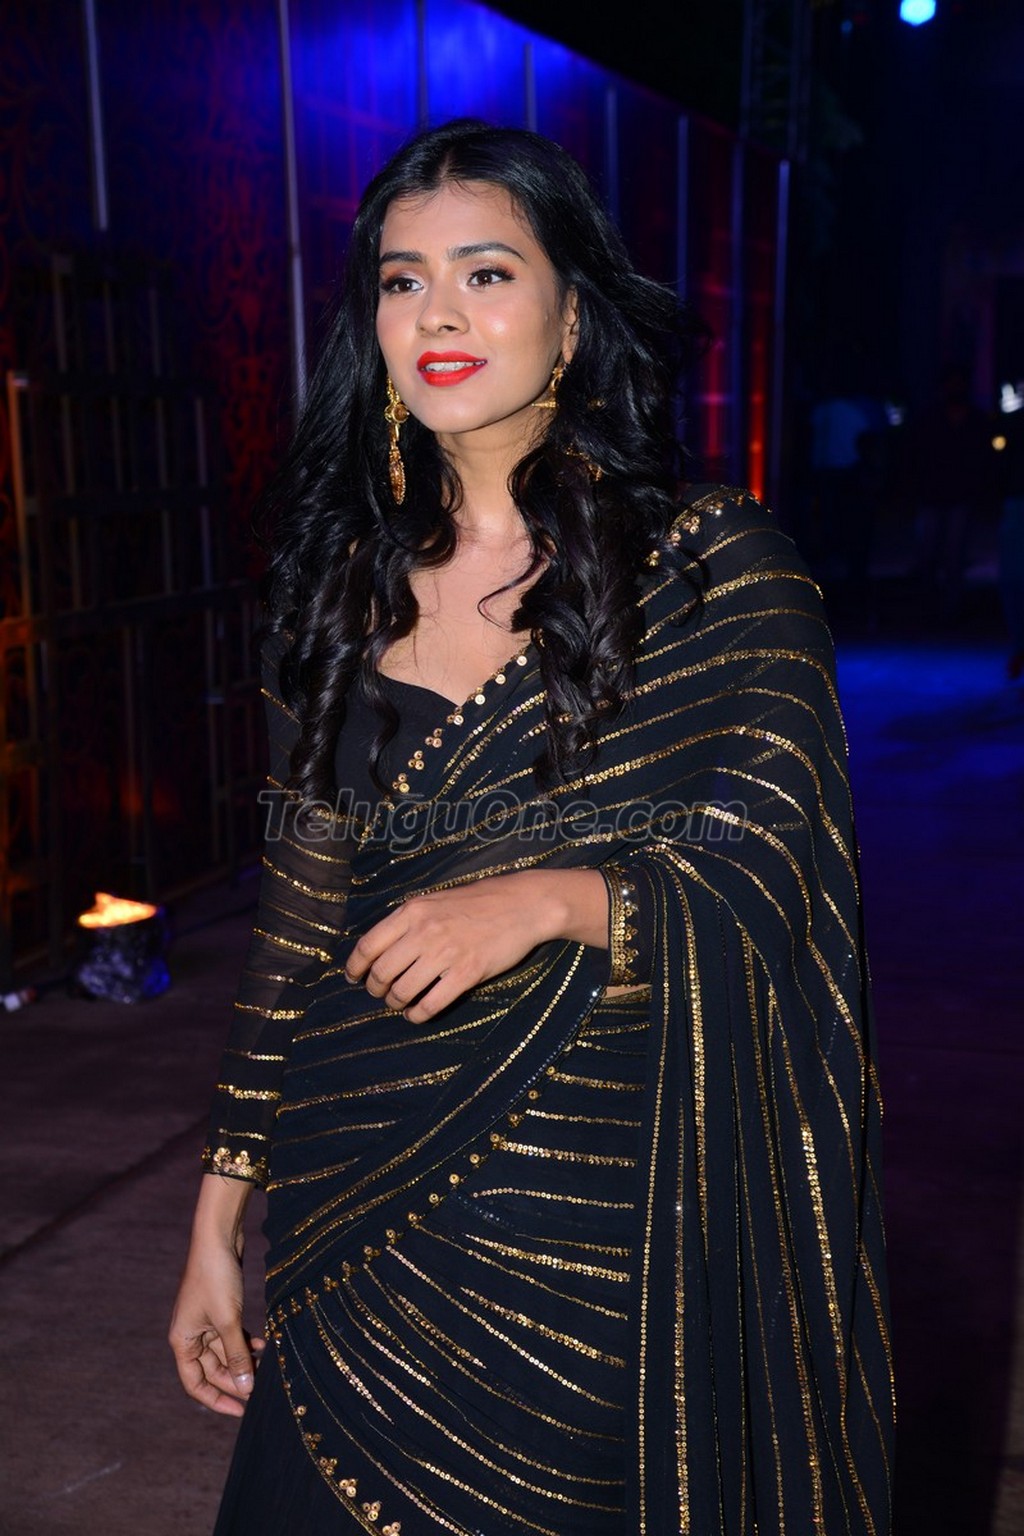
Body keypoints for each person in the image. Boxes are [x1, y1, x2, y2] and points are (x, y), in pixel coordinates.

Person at [170, 119, 894, 1535]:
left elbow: (781, 875)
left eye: (486, 272)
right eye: (402, 280)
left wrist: (561, 898)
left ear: (573, 315)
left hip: (591, 1225)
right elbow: (298, 926)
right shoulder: (338, 580)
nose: (437, 313)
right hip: (355, 1198)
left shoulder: (714, 569)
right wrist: (217, 1214)